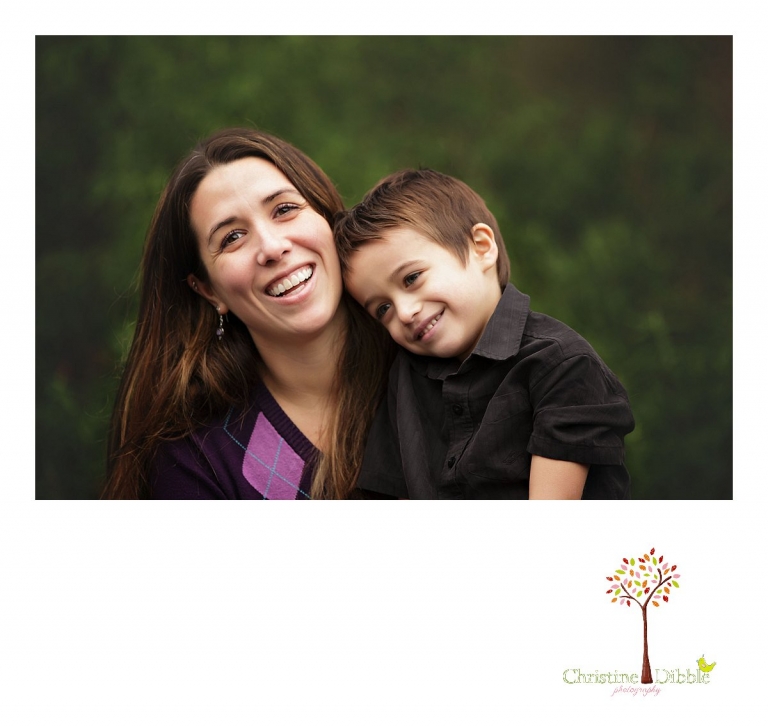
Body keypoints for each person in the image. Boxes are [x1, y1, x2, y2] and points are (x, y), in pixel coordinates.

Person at [103, 128, 395, 499]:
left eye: (285, 209)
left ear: (326, 216)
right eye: (232, 237)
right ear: (208, 290)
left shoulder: (432, 355)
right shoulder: (194, 459)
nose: (272, 247)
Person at [334, 168, 635, 499]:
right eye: (382, 309)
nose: (404, 313)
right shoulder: (405, 377)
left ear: (481, 246)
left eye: (412, 278)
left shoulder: (561, 366)